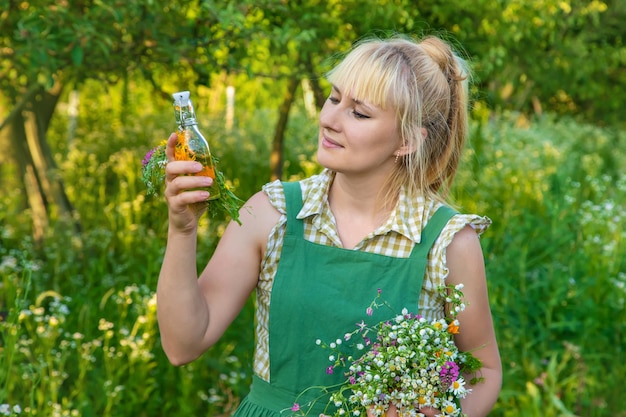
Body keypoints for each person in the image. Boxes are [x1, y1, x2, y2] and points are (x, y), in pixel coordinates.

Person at [156, 33, 502, 417]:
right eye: (334, 98)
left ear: (406, 140)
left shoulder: (446, 241)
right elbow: (182, 345)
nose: (329, 119)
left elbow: (483, 369)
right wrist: (183, 231)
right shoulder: (273, 214)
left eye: (359, 112)